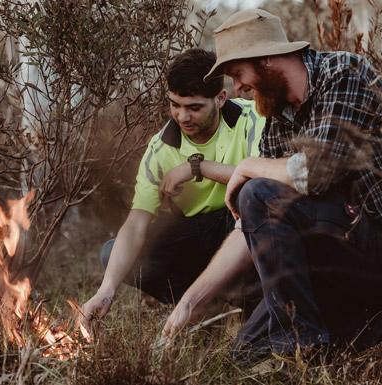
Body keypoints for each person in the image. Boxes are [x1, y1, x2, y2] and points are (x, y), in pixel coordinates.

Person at [161, 9, 382, 361]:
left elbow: (317, 172)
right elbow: (250, 224)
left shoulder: (344, 73)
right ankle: (373, 322)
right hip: (334, 258)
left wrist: (249, 166)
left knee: (257, 190)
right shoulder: (278, 117)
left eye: (238, 74)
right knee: (245, 355)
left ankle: (307, 344)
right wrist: (189, 303)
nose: (238, 89)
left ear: (265, 58)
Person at [80, 48, 265, 324]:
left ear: (220, 98)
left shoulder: (253, 118)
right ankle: (208, 311)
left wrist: (198, 167)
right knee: (112, 251)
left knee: (250, 196)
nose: (182, 117)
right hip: (192, 234)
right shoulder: (159, 149)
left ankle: (255, 306)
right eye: (175, 105)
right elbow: (135, 224)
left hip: (238, 226)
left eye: (194, 107)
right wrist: (106, 291)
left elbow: (264, 179)